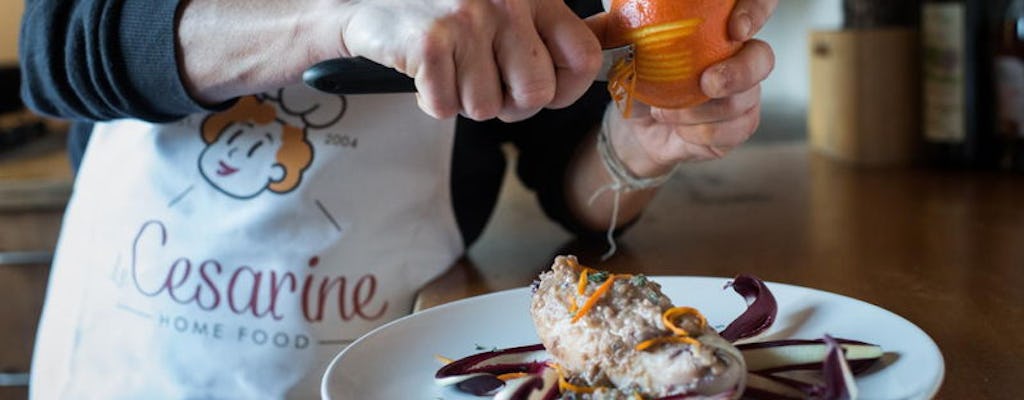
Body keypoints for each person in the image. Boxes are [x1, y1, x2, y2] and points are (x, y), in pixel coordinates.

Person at [18, 0, 777, 398]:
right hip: (127, 356)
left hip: (377, 363)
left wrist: (638, 145)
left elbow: (568, 183)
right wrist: (334, 19)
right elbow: (57, 50)